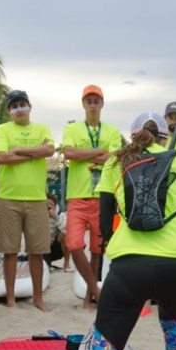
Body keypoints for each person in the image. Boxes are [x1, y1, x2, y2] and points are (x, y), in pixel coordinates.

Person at [38, 113, 176, 350]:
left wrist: (125, 242)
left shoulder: (116, 162)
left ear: (134, 135)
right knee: (172, 326)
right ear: (165, 136)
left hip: (128, 267)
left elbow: (104, 223)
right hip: (174, 268)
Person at [0, 90, 55, 311]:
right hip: (8, 197)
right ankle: (10, 298)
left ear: (30, 106)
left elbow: (49, 150)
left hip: (37, 198)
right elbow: (1, 157)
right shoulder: (2, 129)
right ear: (9, 111)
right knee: (9, 251)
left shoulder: (41, 128)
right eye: (14, 106)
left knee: (36, 252)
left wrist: (18, 149)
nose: (19, 109)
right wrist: (34, 152)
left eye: (22, 104)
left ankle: (38, 298)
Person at [61, 85, 123, 309]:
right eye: (89, 101)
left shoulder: (112, 131)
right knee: (74, 245)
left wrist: (85, 155)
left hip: (102, 196)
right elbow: (68, 153)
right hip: (77, 196)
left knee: (98, 250)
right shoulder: (73, 129)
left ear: (102, 103)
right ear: (83, 104)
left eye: (96, 101)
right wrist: (99, 152)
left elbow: (115, 157)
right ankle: (96, 290)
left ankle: (89, 298)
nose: (93, 104)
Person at [44, 195, 70, 271]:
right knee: (45, 269)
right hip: (43, 248)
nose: (49, 208)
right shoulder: (38, 215)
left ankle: (66, 263)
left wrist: (55, 217)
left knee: (63, 236)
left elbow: (66, 231)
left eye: (51, 205)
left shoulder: (60, 214)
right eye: (46, 205)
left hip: (56, 248)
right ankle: (46, 263)